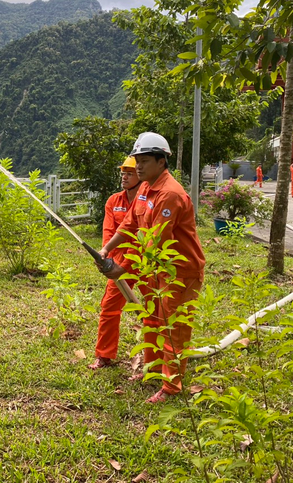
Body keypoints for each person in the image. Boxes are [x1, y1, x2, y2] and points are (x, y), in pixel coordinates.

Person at [97, 132, 205, 404]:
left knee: (173, 328)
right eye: (137, 160)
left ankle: (171, 388)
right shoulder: (146, 188)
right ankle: (154, 370)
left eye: (144, 161)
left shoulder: (169, 194)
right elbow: (131, 225)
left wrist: (121, 268)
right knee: (154, 320)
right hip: (157, 268)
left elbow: (155, 242)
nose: (138, 167)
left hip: (179, 271)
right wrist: (107, 249)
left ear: (161, 161)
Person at [88, 157, 143, 370]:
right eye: (123, 173)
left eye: (130, 173)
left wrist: (125, 265)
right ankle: (104, 355)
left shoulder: (147, 202)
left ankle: (160, 361)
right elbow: (109, 231)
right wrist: (104, 255)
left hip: (145, 259)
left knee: (155, 307)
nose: (125, 177)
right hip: (119, 260)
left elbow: (141, 236)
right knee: (109, 307)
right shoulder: (113, 201)